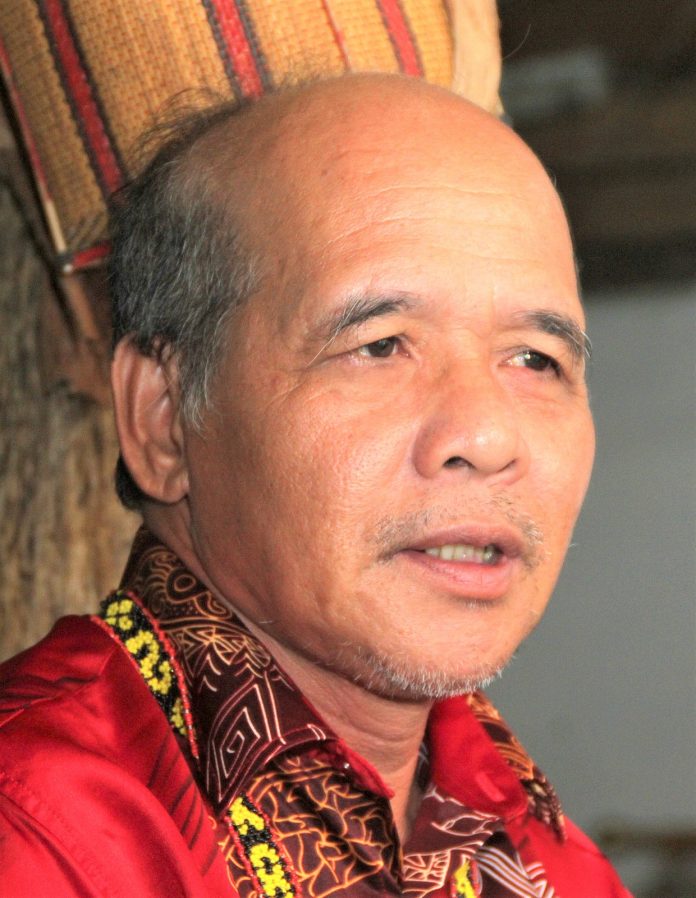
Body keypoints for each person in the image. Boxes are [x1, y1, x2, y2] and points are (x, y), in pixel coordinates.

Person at [0, 74, 631, 897]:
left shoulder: (556, 864)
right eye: (380, 345)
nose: (486, 437)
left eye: (536, 360)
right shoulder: (34, 831)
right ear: (162, 417)